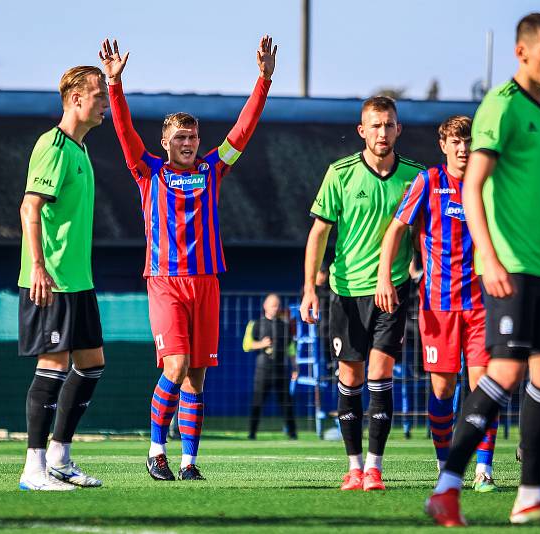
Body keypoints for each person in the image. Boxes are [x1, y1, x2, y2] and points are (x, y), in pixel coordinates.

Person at [426, 13, 540, 526]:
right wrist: (490, 256)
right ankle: (447, 486)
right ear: (522, 53)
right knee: (504, 372)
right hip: (511, 267)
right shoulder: (500, 107)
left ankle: (531, 496)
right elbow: (473, 184)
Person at [101, 36, 276, 481]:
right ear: (164, 142)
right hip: (165, 280)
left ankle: (189, 461)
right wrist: (114, 85)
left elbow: (242, 131)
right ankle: (156, 450)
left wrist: (264, 80)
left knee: (197, 376)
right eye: (180, 137)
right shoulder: (148, 171)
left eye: (193, 136)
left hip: (208, 282)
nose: (188, 143)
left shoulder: (213, 169)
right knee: (175, 366)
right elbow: (123, 131)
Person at [300, 96, 424, 491]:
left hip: (392, 291)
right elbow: (319, 233)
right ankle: (353, 467)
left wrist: (419, 265)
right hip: (346, 290)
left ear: (398, 129)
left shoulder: (416, 177)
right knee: (349, 377)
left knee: (380, 374)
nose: (382, 132)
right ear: (361, 130)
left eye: (389, 125)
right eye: (375, 126)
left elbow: (423, 230)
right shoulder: (340, 173)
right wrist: (309, 290)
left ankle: (374, 468)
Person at [376, 116, 499, 492]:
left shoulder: (490, 183)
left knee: (484, 386)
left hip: (481, 303)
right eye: (456, 142)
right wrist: (384, 277)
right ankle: (447, 469)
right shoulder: (429, 182)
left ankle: (483, 468)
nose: (464, 149)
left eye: (469, 142)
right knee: (443, 390)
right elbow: (397, 228)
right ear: (444, 145)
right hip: (438, 306)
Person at [17, 65, 109, 492]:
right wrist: (37, 265)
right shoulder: (52, 146)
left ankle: (59, 458)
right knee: (53, 365)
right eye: (98, 96)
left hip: (78, 281)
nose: (104, 104)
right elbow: (29, 208)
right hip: (50, 280)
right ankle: (32, 469)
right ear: (76, 99)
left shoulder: (80, 149)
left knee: (91, 365)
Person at [247, 294, 297, 440]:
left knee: (287, 403)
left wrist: (295, 367)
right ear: (265, 306)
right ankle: (252, 433)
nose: (275, 308)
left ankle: (292, 433)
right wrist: (261, 344)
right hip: (263, 370)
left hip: (281, 369)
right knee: (257, 402)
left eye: (277, 305)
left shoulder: (285, 325)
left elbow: (291, 348)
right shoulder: (255, 324)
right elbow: (247, 345)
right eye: (272, 305)